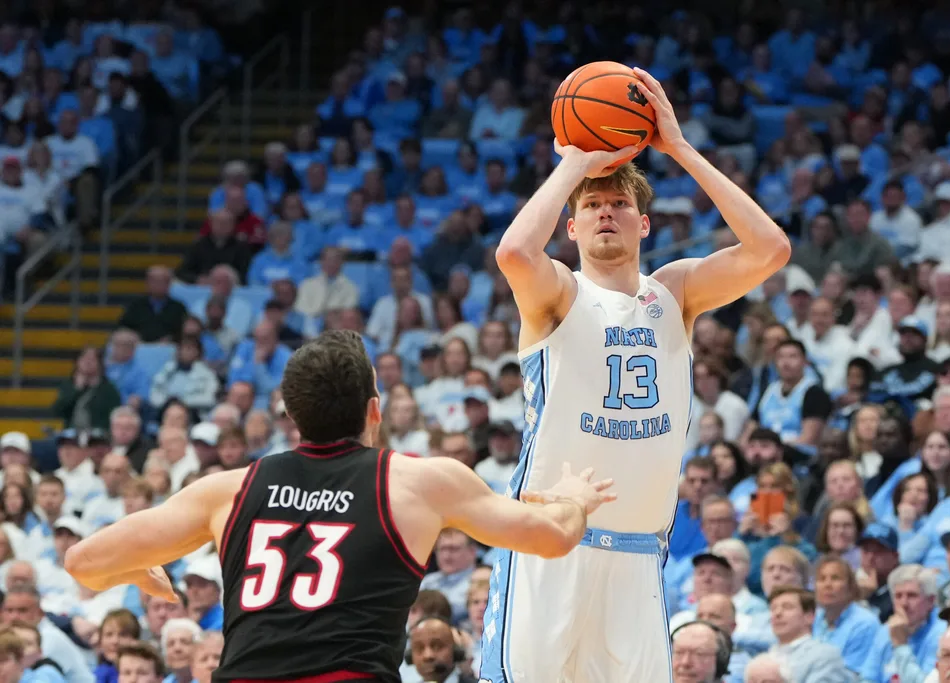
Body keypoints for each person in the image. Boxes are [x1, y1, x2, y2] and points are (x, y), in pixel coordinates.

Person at [62, 331, 617, 683]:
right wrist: (576, 499)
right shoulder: (419, 483)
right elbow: (553, 537)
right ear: (374, 409)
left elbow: (83, 562)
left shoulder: (227, 489)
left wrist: (139, 571)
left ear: (294, 416)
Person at [481, 67, 790, 683]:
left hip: (639, 554)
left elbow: (770, 250)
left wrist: (677, 146)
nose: (606, 214)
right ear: (570, 227)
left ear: (644, 223)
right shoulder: (557, 295)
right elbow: (514, 253)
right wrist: (574, 162)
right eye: (592, 206)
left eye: (620, 204)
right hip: (552, 543)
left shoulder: (673, 292)